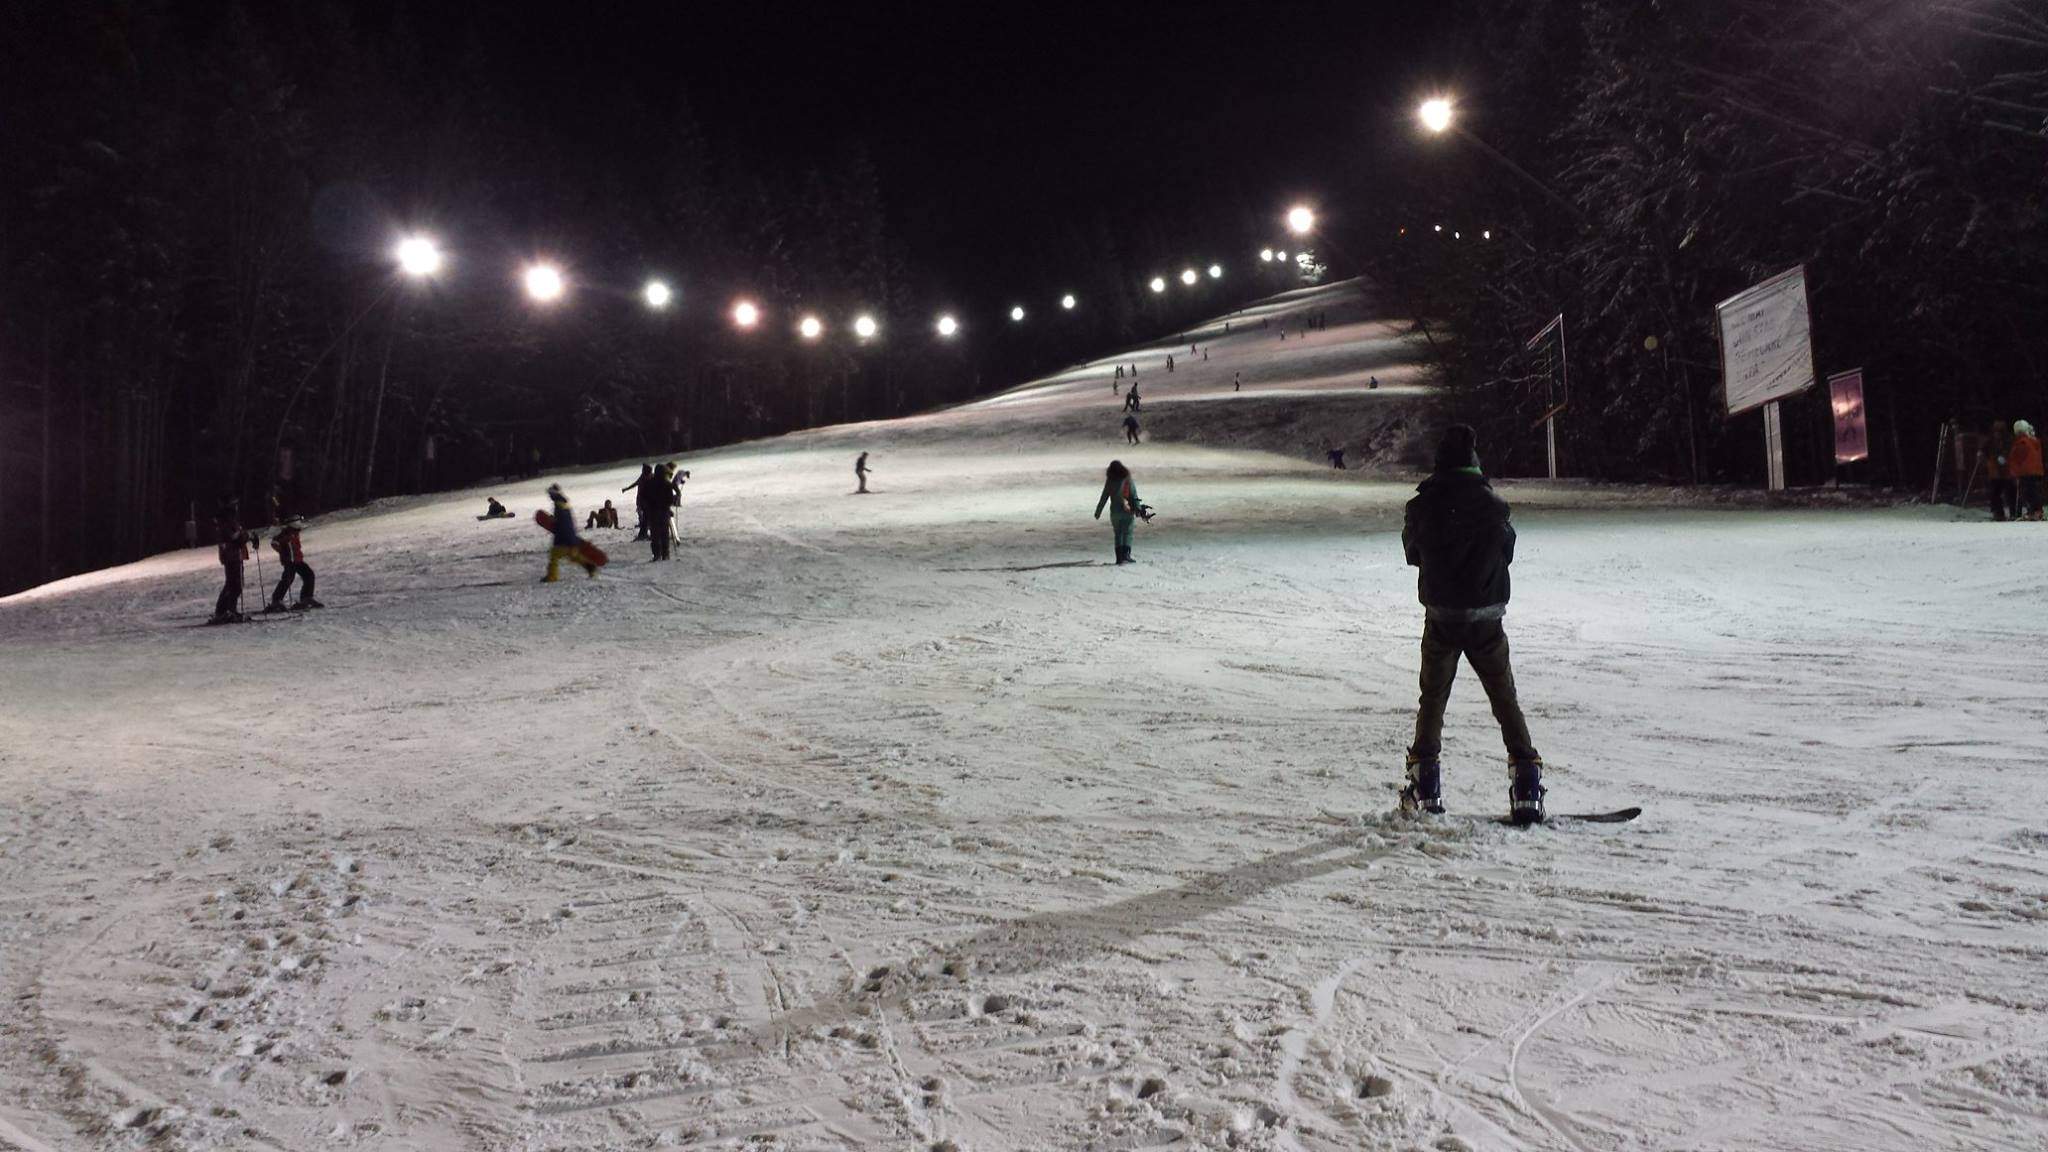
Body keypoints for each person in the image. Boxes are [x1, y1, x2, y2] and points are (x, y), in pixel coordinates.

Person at [1400, 425, 1544, 824]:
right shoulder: (1493, 506)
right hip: (1485, 618)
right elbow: (1507, 552)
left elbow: (1413, 553)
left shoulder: (1423, 505)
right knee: (1504, 698)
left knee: (1433, 699)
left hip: (1443, 616)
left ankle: (1425, 785)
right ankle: (1526, 785)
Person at [1093, 460, 1151, 565]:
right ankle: (1126, 555)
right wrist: (1138, 509)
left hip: (1115, 512)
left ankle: (1119, 558)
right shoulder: (1127, 480)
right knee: (1128, 533)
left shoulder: (1110, 481)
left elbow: (1104, 497)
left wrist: (1098, 511)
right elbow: (1134, 496)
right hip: (1127, 511)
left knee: (1118, 534)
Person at [544, 484, 598, 581]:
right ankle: (590, 567)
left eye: (550, 494)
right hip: (570, 536)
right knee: (573, 555)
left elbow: (562, 522)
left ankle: (552, 576)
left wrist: (555, 524)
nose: (549, 496)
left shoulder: (559, 505)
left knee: (554, 555)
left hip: (564, 537)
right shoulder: (563, 503)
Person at [266, 516, 321, 611]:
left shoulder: (294, 532)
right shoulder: (284, 534)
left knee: (309, 575)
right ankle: (276, 600)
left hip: (297, 560)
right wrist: (283, 552)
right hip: (290, 561)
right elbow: (275, 543)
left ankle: (306, 598)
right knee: (287, 579)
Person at [211, 499, 252, 623]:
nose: (237, 508)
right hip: (232, 555)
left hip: (234, 555)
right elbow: (235, 538)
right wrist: (244, 536)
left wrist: (246, 536)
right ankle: (227, 611)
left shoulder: (230, 521)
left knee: (234, 584)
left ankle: (226, 610)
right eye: (235, 506)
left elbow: (238, 536)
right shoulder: (227, 521)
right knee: (234, 584)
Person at [1984, 421, 2017, 522]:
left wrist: (2005, 457)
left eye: (1999, 431)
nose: (1997, 433)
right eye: (1995, 431)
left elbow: (2012, 451)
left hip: (2007, 471)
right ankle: (1998, 513)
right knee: (1995, 493)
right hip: (1995, 472)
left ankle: (2013, 513)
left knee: (2011, 493)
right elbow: (1984, 449)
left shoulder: (2009, 440)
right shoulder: (1991, 440)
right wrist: (1981, 453)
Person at [2013, 419, 2044, 521]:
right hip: (2035, 470)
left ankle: (2036, 511)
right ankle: (2035, 510)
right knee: (2032, 491)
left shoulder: (2022, 442)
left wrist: (2015, 470)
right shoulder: (2032, 441)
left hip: (2026, 470)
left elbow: (2018, 457)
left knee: (2028, 492)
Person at [623, 464, 656, 540]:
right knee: (647, 518)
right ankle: (645, 534)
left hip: (645, 501)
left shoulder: (647, 477)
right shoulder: (644, 478)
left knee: (646, 518)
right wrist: (627, 489)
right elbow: (636, 484)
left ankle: (644, 534)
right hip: (644, 501)